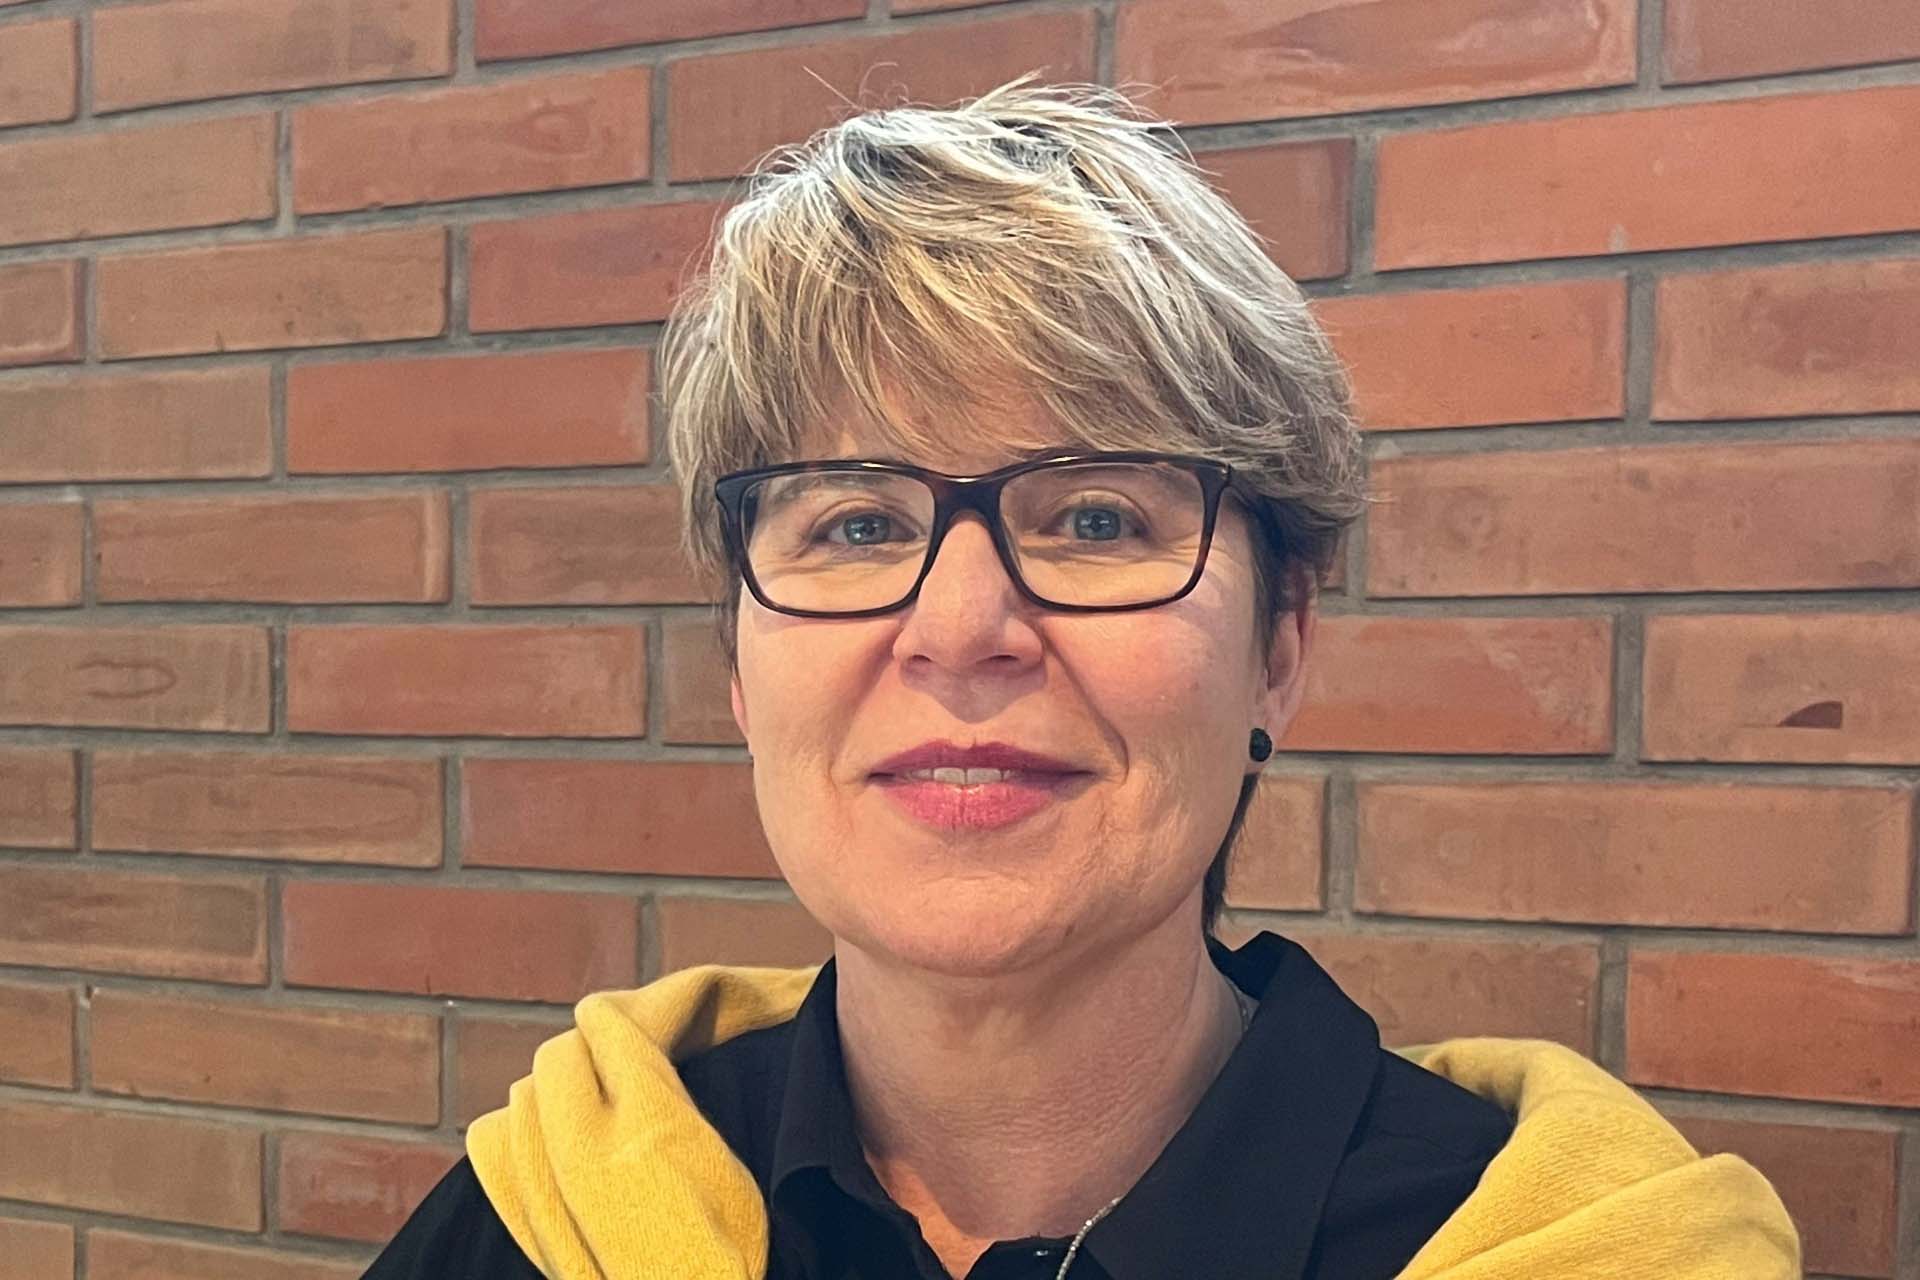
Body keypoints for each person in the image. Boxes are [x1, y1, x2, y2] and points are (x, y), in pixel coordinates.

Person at [362, 79, 1798, 1280]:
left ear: (1280, 649)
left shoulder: (1571, 1244)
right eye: (856, 525)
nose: (958, 625)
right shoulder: (546, 1221)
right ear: (738, 667)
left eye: (1097, 521)